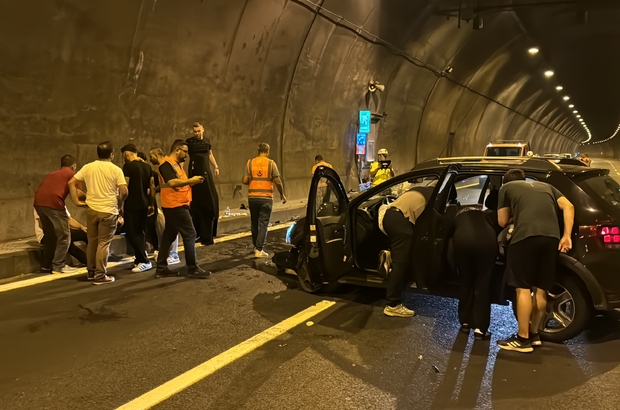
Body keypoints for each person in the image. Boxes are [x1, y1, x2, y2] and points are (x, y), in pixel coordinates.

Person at [496, 169, 574, 353]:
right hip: (551, 239)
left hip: (524, 238)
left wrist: (518, 214)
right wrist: (567, 236)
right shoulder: (547, 186)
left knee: (522, 288)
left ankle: (522, 339)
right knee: (541, 288)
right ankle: (535, 334)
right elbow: (569, 206)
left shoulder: (506, 187)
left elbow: (502, 221)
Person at [68, 141, 128, 285]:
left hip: (92, 210)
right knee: (103, 243)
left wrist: (76, 201)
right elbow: (124, 191)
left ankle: (91, 272)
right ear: (112, 154)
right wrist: (119, 204)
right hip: (108, 210)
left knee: (92, 242)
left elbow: (71, 182)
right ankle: (100, 275)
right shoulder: (116, 169)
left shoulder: (88, 167)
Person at [155, 139, 210, 278]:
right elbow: (173, 183)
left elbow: (180, 184)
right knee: (190, 234)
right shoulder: (166, 165)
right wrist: (191, 181)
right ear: (177, 150)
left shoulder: (176, 165)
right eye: (184, 151)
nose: (186, 154)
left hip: (176, 204)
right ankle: (192, 268)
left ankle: (161, 267)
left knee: (169, 235)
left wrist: (193, 182)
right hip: (175, 205)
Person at [378, 188, 427, 317]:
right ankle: (392, 305)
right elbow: (424, 227)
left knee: (401, 257)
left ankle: (390, 257)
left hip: (390, 216)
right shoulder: (427, 202)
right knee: (401, 263)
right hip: (401, 221)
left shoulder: (420, 192)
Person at [452, 208, 498, 339]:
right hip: (486, 241)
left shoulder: (457, 216)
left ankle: (465, 322)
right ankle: (480, 329)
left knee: (465, 281)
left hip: (462, 240)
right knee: (483, 284)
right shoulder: (486, 215)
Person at [33, 155, 80, 274]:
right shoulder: (72, 175)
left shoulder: (52, 173)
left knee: (50, 235)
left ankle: (46, 266)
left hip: (38, 203)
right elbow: (79, 194)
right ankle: (59, 265)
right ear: (73, 166)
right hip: (54, 204)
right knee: (64, 235)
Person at [242, 143, 287, 258]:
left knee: (254, 223)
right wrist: (282, 194)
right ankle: (259, 249)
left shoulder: (250, 163)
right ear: (267, 151)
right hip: (266, 198)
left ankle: (255, 246)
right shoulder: (271, 164)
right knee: (263, 224)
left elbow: (245, 180)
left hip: (252, 197)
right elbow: (277, 181)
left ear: (258, 151)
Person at [121, 144, 156, 273]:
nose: (124, 158)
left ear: (127, 154)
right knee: (140, 232)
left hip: (132, 204)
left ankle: (144, 261)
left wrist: (120, 204)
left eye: (124, 155)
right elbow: (152, 187)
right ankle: (139, 258)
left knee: (129, 232)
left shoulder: (128, 166)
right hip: (144, 203)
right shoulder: (147, 167)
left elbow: (125, 187)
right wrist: (151, 204)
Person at [186, 122, 220, 245]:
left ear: (203, 130)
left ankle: (208, 234)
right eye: (195, 131)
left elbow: (210, 154)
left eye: (199, 131)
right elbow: (183, 157)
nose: (197, 133)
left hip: (206, 173)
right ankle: (199, 233)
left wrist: (215, 166)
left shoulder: (206, 141)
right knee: (196, 203)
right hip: (194, 172)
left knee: (210, 200)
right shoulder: (189, 142)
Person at [148, 147, 180, 265]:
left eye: (151, 156)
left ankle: (174, 254)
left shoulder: (164, 166)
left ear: (156, 155)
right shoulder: (163, 167)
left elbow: (173, 183)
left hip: (173, 202)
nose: (150, 159)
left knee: (177, 229)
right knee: (170, 230)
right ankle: (166, 256)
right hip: (168, 202)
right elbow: (164, 185)